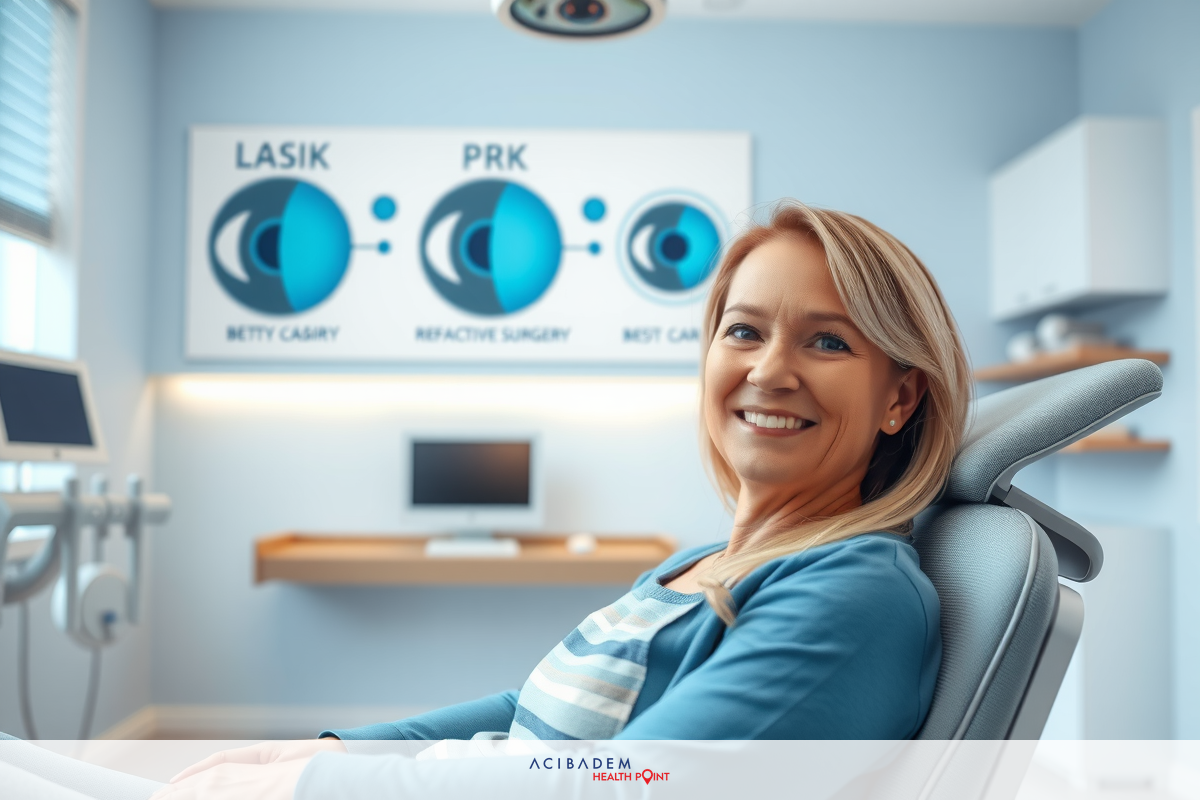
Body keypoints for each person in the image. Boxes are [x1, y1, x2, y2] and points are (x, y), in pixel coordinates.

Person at [1, 201, 971, 799]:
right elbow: (521, 713)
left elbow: (625, 781)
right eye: (744, 330)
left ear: (901, 393)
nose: (770, 369)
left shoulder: (853, 592)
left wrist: (316, 779)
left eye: (828, 341)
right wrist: (320, 748)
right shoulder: (694, 565)